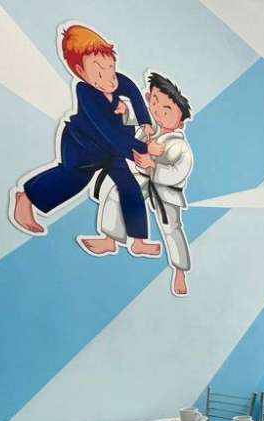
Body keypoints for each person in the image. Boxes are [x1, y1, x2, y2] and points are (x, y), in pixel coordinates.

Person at [11, 24, 163, 257]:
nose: (109, 78)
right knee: (72, 180)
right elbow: (107, 132)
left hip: (112, 150)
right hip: (82, 148)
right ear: (81, 71)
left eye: (110, 67)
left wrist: (145, 122)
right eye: (99, 72)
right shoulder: (86, 93)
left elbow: (133, 91)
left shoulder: (117, 81)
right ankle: (27, 197)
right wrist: (142, 148)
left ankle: (138, 240)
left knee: (129, 187)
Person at [81, 72, 194, 296]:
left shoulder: (180, 146)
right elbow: (134, 117)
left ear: (180, 121)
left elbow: (179, 171)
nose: (158, 112)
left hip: (165, 190)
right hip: (142, 178)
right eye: (154, 102)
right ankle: (111, 239)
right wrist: (125, 110)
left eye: (167, 110)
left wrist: (153, 167)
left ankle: (180, 271)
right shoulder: (149, 126)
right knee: (118, 194)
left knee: (171, 228)